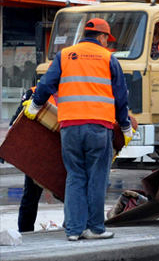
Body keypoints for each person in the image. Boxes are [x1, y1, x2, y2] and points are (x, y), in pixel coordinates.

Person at [24, 18, 133, 241]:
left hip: (70, 127)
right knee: (96, 178)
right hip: (99, 127)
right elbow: (121, 96)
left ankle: (73, 230)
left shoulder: (65, 55)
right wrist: (125, 126)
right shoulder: (108, 58)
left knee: (74, 176)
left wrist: (35, 106)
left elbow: (46, 84)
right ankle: (94, 228)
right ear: (102, 37)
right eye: (106, 39)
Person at [10, 86, 57, 232]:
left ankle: (73, 226)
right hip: (39, 153)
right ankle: (25, 231)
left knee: (67, 194)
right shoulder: (34, 92)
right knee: (31, 196)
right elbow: (16, 121)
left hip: (59, 153)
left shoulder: (71, 94)